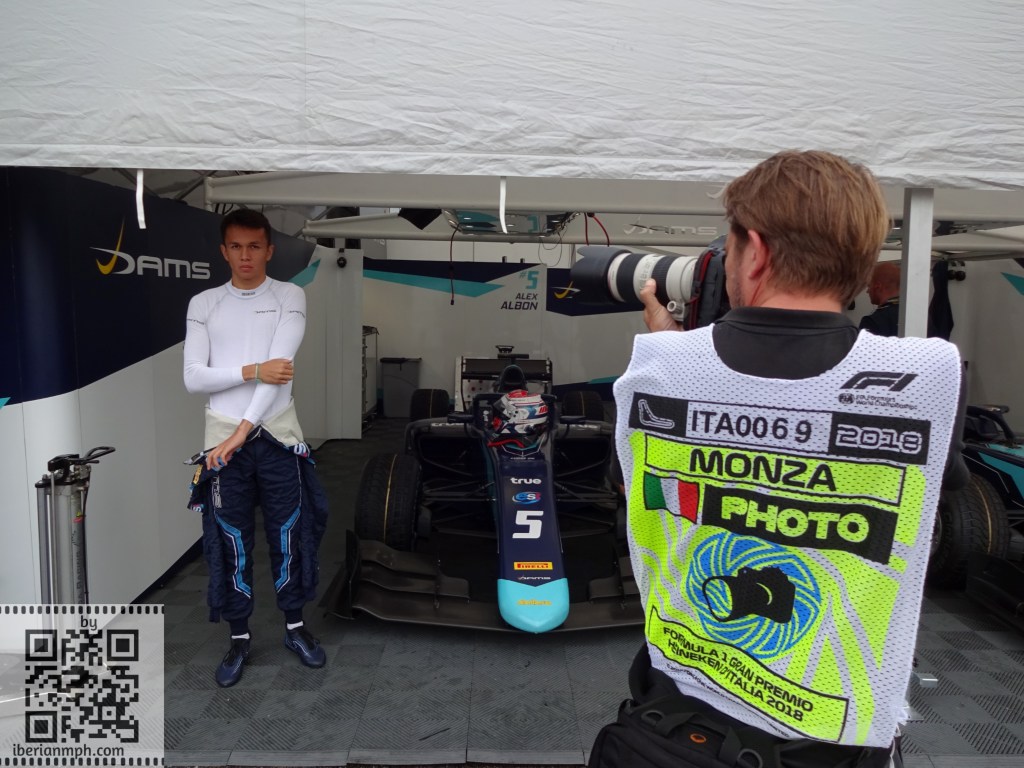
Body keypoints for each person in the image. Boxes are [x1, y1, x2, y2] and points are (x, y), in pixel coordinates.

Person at [610, 151, 967, 767]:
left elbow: (639, 477)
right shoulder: (927, 374)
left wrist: (672, 345)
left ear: (755, 250)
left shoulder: (659, 365)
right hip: (834, 729)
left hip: (679, 707)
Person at [183, 208, 328, 688]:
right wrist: (251, 370)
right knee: (230, 540)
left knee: (290, 534)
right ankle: (239, 638)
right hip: (222, 443)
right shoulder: (204, 303)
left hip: (275, 438)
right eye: (236, 246)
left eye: (254, 246)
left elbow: (279, 370)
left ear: (269, 250)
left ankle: (295, 628)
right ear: (224, 251)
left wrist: (241, 431)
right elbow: (193, 378)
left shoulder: (289, 295)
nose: (245, 255)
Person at [859, 261, 902, 336]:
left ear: (878, 286)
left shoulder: (872, 321)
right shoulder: (916, 315)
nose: (867, 291)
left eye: (869, 286)